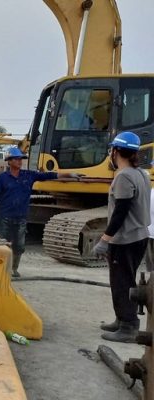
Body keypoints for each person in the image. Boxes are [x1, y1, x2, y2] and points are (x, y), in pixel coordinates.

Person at [92, 132, 150, 343]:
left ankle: (128, 326)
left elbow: (121, 212)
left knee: (121, 282)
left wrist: (104, 240)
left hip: (125, 239)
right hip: (139, 236)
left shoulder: (124, 176)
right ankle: (123, 319)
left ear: (115, 151)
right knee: (126, 279)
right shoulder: (141, 174)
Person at [0, 147, 83, 277]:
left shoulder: (28, 175)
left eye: (20, 159)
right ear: (9, 161)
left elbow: (50, 175)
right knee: (3, 244)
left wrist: (69, 174)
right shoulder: (3, 178)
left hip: (21, 217)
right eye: (16, 159)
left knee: (19, 245)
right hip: (5, 216)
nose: (19, 161)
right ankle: (1, 269)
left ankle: (13, 269)